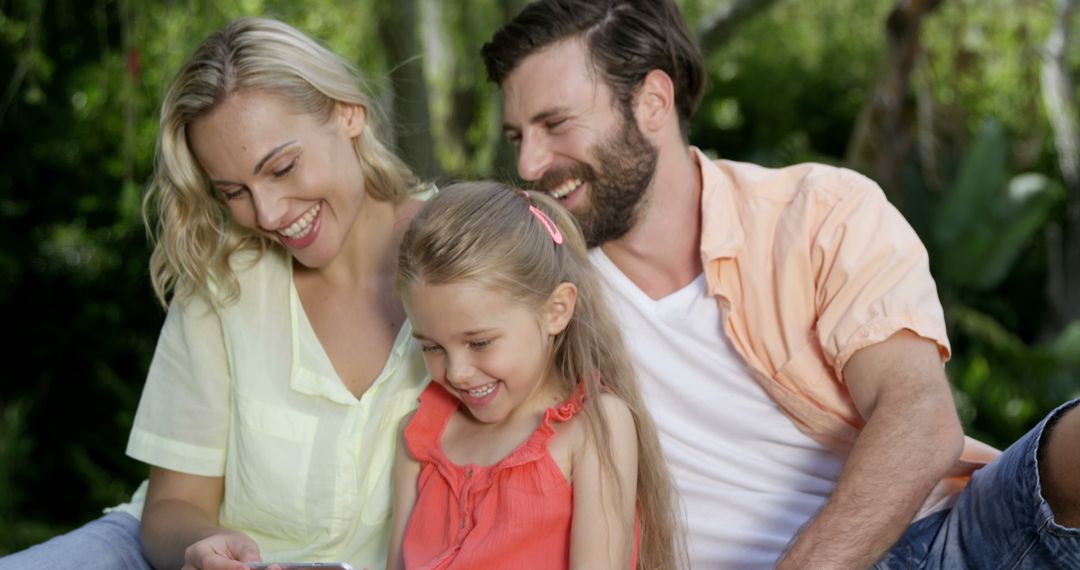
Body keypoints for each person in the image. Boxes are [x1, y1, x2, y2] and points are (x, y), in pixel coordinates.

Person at [481, 1, 1080, 568]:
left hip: (937, 543)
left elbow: (921, 420)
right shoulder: (534, 290)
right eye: (517, 138)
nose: (530, 164)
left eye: (554, 124)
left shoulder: (819, 211)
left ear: (653, 102)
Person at [0, 17, 432, 570]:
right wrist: (201, 549)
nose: (269, 214)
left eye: (282, 167)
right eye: (234, 192)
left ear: (348, 113)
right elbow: (174, 505)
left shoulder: (476, 251)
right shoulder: (225, 280)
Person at [386, 182, 682, 569]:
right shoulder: (421, 437)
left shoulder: (593, 428)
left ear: (556, 311)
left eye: (479, 343)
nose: (456, 372)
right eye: (432, 347)